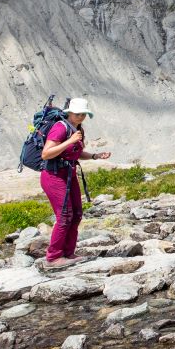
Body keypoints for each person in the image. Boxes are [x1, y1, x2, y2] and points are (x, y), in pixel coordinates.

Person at [39, 97, 110, 269]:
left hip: (68, 174)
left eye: (84, 114)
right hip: (53, 176)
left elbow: (76, 153)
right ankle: (53, 258)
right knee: (64, 216)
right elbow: (46, 154)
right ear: (69, 113)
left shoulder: (77, 129)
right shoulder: (60, 128)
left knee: (77, 214)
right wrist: (69, 141)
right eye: (78, 114)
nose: (81, 117)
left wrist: (95, 156)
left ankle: (68, 253)